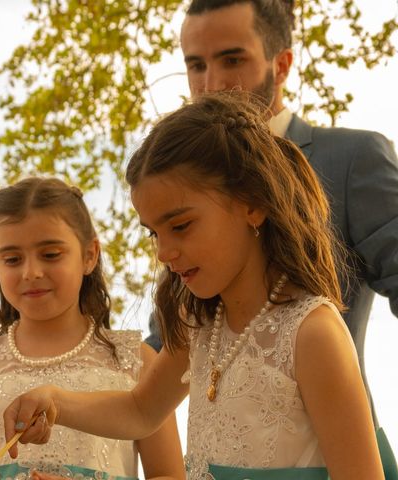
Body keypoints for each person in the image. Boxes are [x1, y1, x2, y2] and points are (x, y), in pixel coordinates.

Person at [3, 93, 384, 479]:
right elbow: (140, 411)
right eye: (154, 233)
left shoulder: (312, 334)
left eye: (181, 226)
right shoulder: (200, 323)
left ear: (252, 203)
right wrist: (55, 401)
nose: (164, 252)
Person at [146, 0, 398, 433]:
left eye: (231, 59)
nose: (211, 84)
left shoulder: (354, 158)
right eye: (195, 65)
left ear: (281, 65)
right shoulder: (179, 192)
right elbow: (165, 344)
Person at [0, 177, 185, 480]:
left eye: (50, 255)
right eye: (12, 259)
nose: (32, 272)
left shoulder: (135, 360)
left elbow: (170, 475)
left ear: (89, 255)